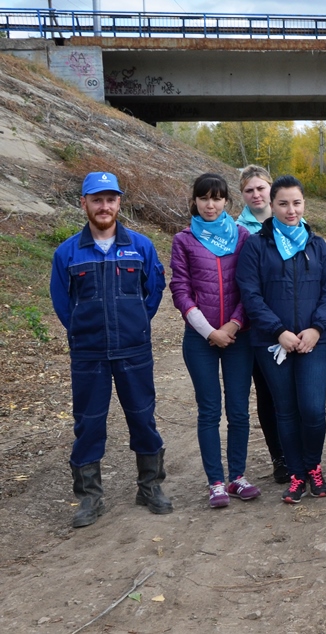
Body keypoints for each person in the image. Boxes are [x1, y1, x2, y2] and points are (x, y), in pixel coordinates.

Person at [50, 171, 172, 528]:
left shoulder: (141, 247)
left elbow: (154, 290)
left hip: (134, 350)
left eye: (111, 199)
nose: (105, 206)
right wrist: (82, 330)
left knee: (142, 417)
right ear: (84, 203)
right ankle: (90, 497)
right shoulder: (67, 252)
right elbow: (61, 301)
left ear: (120, 203)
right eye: (97, 199)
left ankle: (150, 487)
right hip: (88, 353)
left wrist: (136, 322)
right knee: (88, 424)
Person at [236, 176, 326, 504]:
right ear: (272, 205)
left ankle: (313, 466)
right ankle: (296, 473)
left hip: (314, 342)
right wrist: (279, 331)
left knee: (312, 409)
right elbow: (250, 294)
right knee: (285, 410)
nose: (290, 209)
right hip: (272, 342)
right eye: (283, 203)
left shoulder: (317, 245)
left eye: (296, 203)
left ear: (303, 204)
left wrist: (317, 328)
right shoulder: (255, 245)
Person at [170, 173, 260, 509]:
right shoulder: (183, 240)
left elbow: (250, 287)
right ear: (194, 201)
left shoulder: (243, 237)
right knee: (209, 411)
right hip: (200, 339)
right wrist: (210, 331)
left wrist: (234, 326)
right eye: (204, 198)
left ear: (227, 201)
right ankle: (216, 483)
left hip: (240, 337)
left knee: (238, 410)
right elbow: (180, 291)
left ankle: (237, 476)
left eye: (217, 198)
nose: (211, 204)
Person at [236, 165, 287, 484]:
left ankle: (300, 454)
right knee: (267, 393)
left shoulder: (292, 220)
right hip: (255, 325)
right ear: (242, 194)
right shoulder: (236, 230)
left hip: (290, 322)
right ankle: (279, 458)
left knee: (291, 393)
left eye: (261, 188)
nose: (256, 194)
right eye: (249, 190)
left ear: (271, 189)